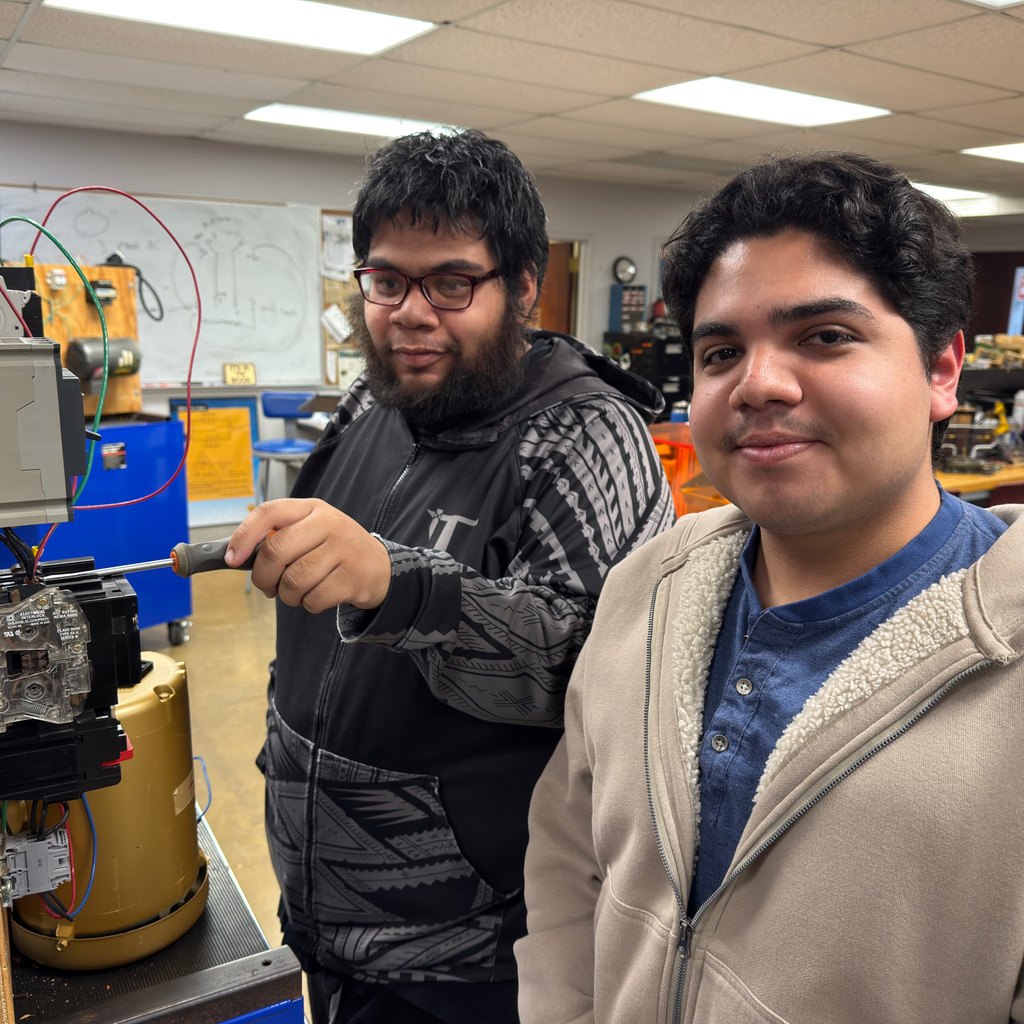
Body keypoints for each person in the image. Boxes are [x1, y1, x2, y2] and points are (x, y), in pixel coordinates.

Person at [515, 151, 1024, 1024]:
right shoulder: (645, 588)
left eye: (825, 336)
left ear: (942, 370)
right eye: (721, 352)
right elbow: (570, 859)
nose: (758, 384)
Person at [226, 128, 675, 1024]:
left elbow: (597, 678)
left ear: (522, 286)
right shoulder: (375, 398)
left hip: (472, 957)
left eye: (452, 283)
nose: (410, 313)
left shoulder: (584, 437)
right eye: (387, 281)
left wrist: (399, 586)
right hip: (330, 914)